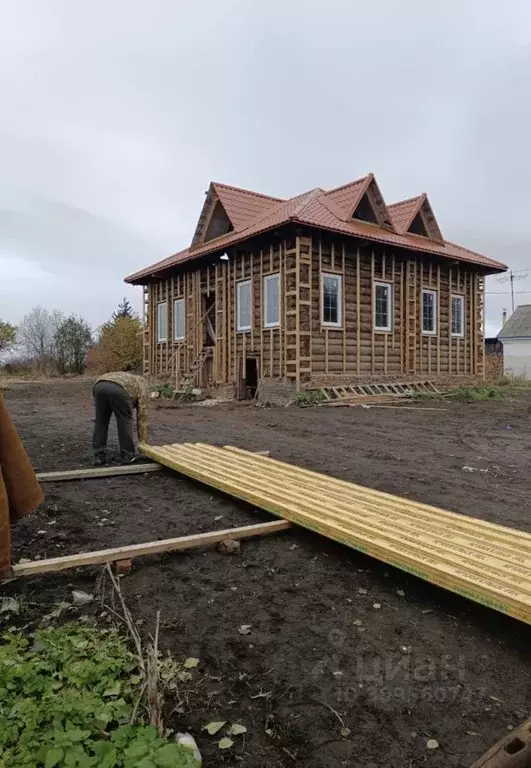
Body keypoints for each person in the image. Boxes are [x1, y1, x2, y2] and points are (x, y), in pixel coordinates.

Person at [0, 391, 44, 578]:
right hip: (117, 391)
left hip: (102, 389)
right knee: (123, 420)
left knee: (103, 420)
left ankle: (100, 452)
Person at [92, 372, 149, 465]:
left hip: (99, 385)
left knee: (101, 421)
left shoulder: (130, 378)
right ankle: (128, 455)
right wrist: (143, 442)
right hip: (120, 390)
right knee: (125, 421)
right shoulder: (143, 386)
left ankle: (99, 456)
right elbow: (142, 415)